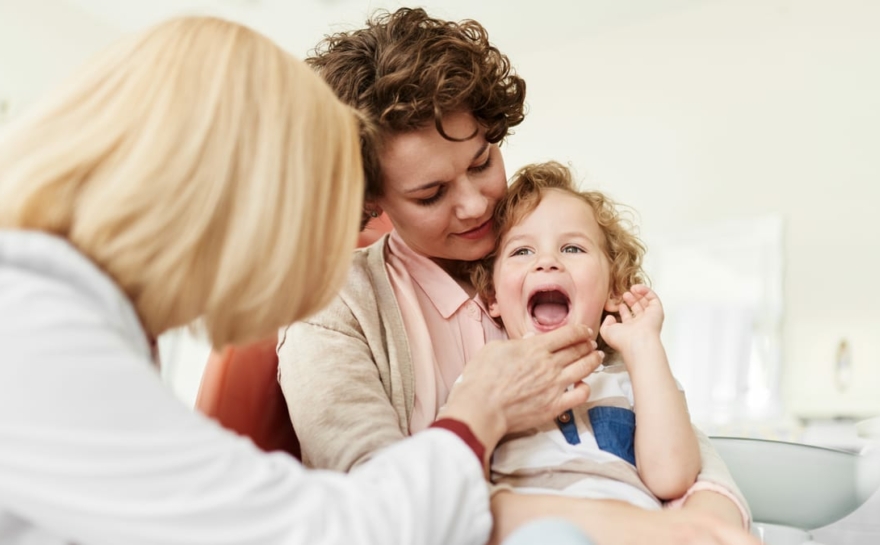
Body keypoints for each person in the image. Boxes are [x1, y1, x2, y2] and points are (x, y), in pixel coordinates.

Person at [0, 16, 603, 545]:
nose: (297, 249)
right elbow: (328, 526)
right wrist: (479, 412)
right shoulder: (31, 329)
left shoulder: (73, 318)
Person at [278, 8, 760, 545]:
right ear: (371, 198)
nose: (474, 204)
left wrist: (714, 511)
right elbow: (378, 501)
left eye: (482, 162)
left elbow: (635, 419)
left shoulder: (548, 263)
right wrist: (639, 527)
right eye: (431, 194)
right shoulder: (333, 308)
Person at [469, 161, 750, 534]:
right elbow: (452, 484)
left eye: (572, 248)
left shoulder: (636, 382)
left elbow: (671, 477)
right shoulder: (481, 380)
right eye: (522, 251)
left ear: (614, 289)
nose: (547, 262)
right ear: (491, 296)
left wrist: (644, 346)